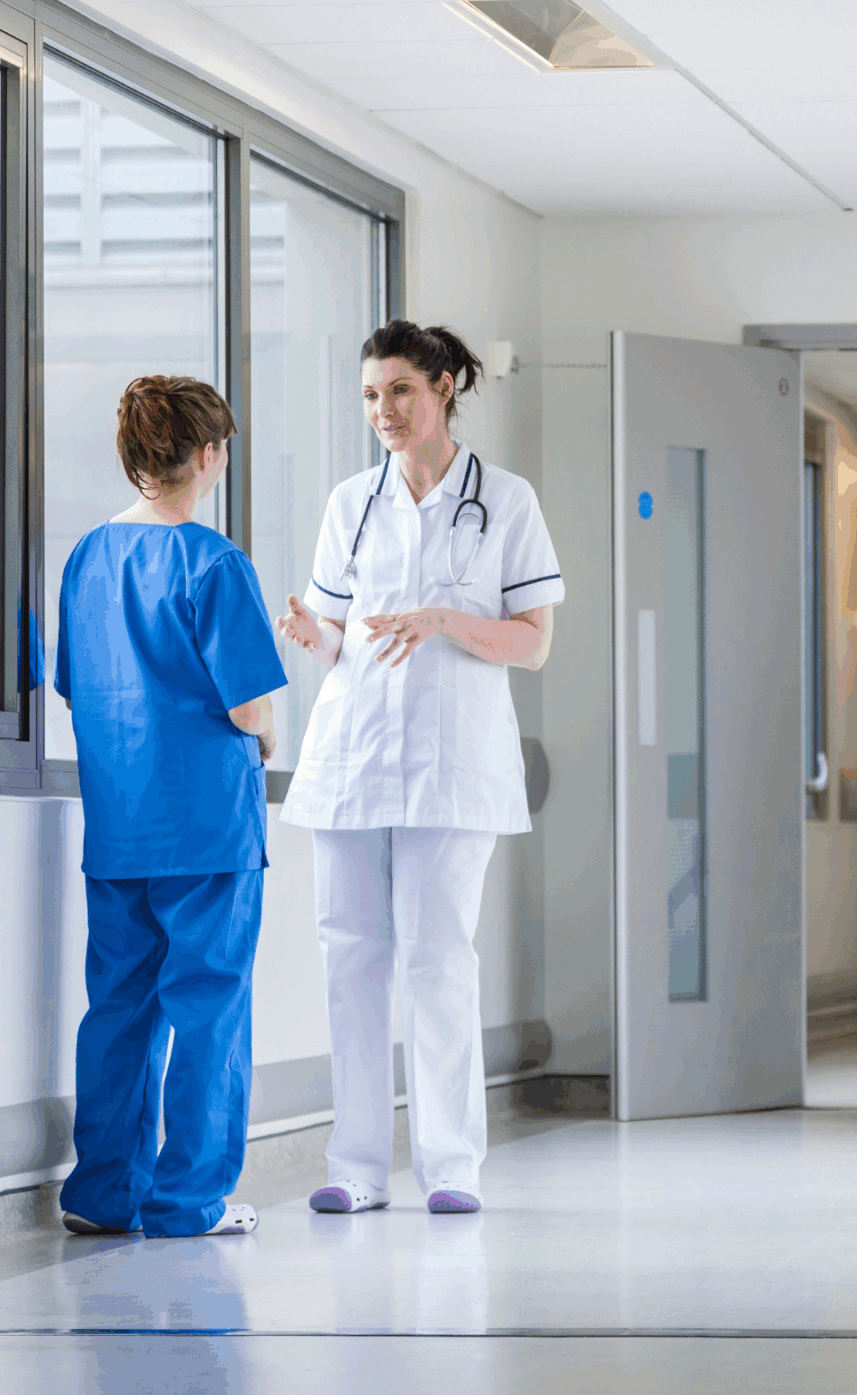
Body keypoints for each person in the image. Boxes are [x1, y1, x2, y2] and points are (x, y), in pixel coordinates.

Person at [274, 320, 563, 1215]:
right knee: (351, 959)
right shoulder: (350, 502)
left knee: (439, 960)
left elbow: (534, 644)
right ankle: (356, 1169)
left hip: (453, 763)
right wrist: (308, 632)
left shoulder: (505, 500)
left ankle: (450, 1167)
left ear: (442, 388)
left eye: (399, 390)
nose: (383, 410)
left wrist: (441, 619)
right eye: (369, 395)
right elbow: (337, 636)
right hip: (353, 757)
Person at [53, 376, 288, 1238]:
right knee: (209, 1010)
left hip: (121, 828)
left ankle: (102, 1196)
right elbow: (249, 707)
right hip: (208, 830)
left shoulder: (86, 559)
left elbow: (77, 689)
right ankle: (190, 1201)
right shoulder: (215, 562)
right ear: (209, 454)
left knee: (119, 1008)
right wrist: (266, 742)